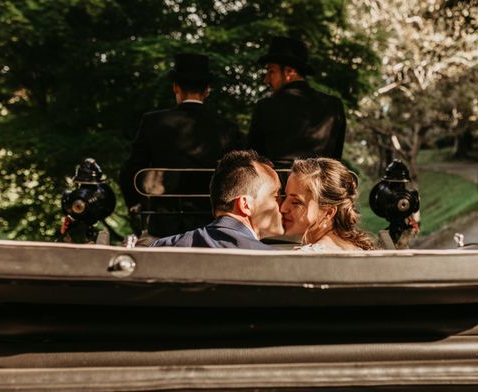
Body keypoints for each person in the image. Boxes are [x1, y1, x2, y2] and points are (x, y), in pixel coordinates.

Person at [120, 53, 244, 240]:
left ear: (175, 87)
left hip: (163, 226)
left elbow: (130, 172)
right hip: (211, 226)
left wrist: (137, 206)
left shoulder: (152, 122)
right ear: (207, 90)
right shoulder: (227, 129)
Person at [151, 150, 284, 249]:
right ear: (245, 205)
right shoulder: (272, 261)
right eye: (275, 197)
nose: (282, 205)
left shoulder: (161, 247)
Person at [247, 36, 346, 167]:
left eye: (271, 71)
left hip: (276, 186)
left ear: (289, 71)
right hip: (319, 186)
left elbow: (253, 161)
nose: (266, 80)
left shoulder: (265, 106)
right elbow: (335, 161)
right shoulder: (334, 106)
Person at [280, 158, 374, 251]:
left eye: (296, 202)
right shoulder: (355, 247)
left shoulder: (304, 257)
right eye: (284, 197)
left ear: (328, 213)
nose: (283, 208)